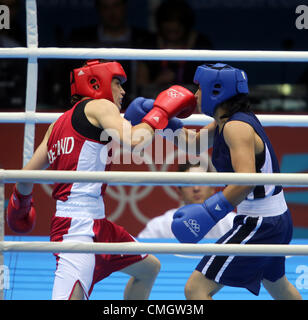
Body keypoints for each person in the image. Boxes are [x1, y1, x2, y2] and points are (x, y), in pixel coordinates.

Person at [6, 59, 197, 300]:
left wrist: (20, 205)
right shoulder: (100, 107)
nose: (123, 91)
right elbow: (136, 141)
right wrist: (160, 113)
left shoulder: (56, 125)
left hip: (97, 224)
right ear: (97, 83)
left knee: (149, 268)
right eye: (118, 83)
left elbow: (25, 178)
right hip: (77, 228)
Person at [170, 63, 303, 300]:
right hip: (274, 219)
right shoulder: (226, 121)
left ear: (216, 91)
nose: (196, 95)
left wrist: (209, 211)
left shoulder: (235, 128)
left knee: (196, 289)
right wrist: (164, 124)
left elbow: (245, 181)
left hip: (261, 223)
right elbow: (194, 143)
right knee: (277, 284)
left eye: (199, 89)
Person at [138, 161, 235, 239]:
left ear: (212, 188)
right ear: (179, 191)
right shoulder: (160, 226)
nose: (196, 188)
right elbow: (139, 254)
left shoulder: (232, 222)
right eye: (189, 183)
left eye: (202, 182)